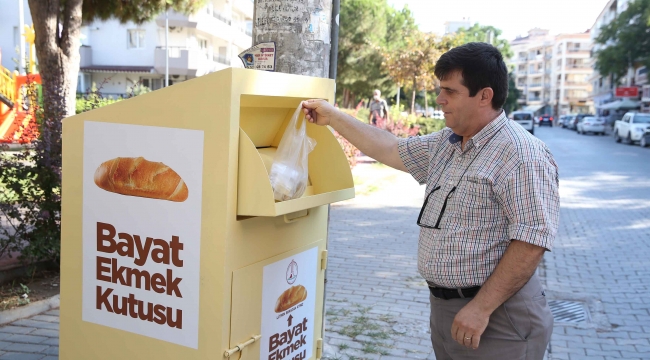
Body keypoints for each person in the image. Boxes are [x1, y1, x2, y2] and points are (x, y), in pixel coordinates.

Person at [302, 42, 559, 360]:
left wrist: (481, 308)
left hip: (498, 317)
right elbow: (390, 149)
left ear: (484, 96)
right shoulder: (447, 143)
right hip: (448, 310)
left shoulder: (521, 153)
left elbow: (531, 241)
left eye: (450, 91)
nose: (439, 99)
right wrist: (334, 117)